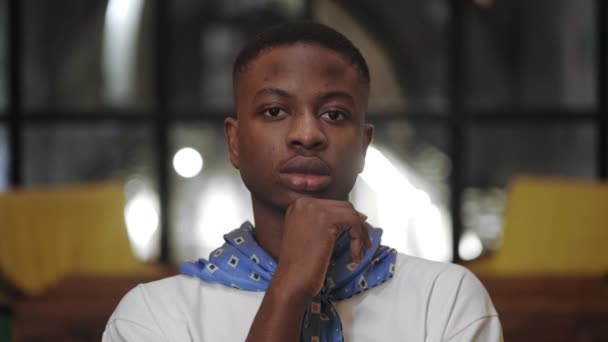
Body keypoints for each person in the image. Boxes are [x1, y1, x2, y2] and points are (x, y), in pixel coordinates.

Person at [103, 22, 502, 342]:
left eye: (334, 115)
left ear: (363, 146)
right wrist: (288, 290)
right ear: (235, 141)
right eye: (275, 110)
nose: (307, 134)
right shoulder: (152, 317)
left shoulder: (445, 299)